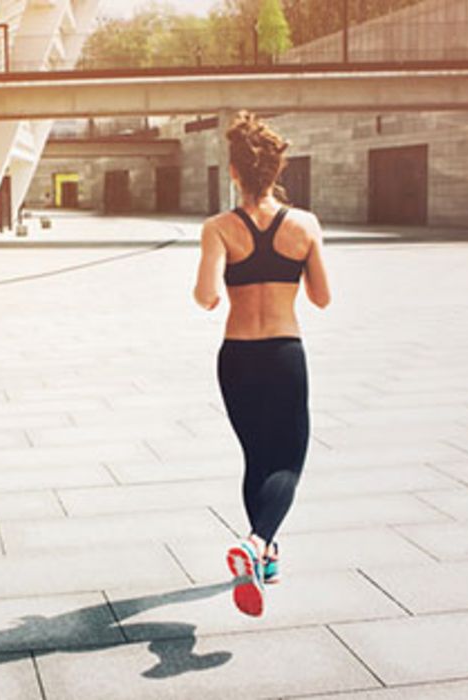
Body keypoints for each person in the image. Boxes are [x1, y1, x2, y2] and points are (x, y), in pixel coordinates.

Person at [192, 111, 331, 617]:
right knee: (288, 461)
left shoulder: (218, 229)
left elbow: (206, 297)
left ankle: (264, 556)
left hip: (237, 358)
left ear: (234, 173)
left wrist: (226, 273)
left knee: (257, 457)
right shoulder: (305, 225)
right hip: (284, 353)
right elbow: (322, 298)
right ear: (277, 170)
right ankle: (255, 543)